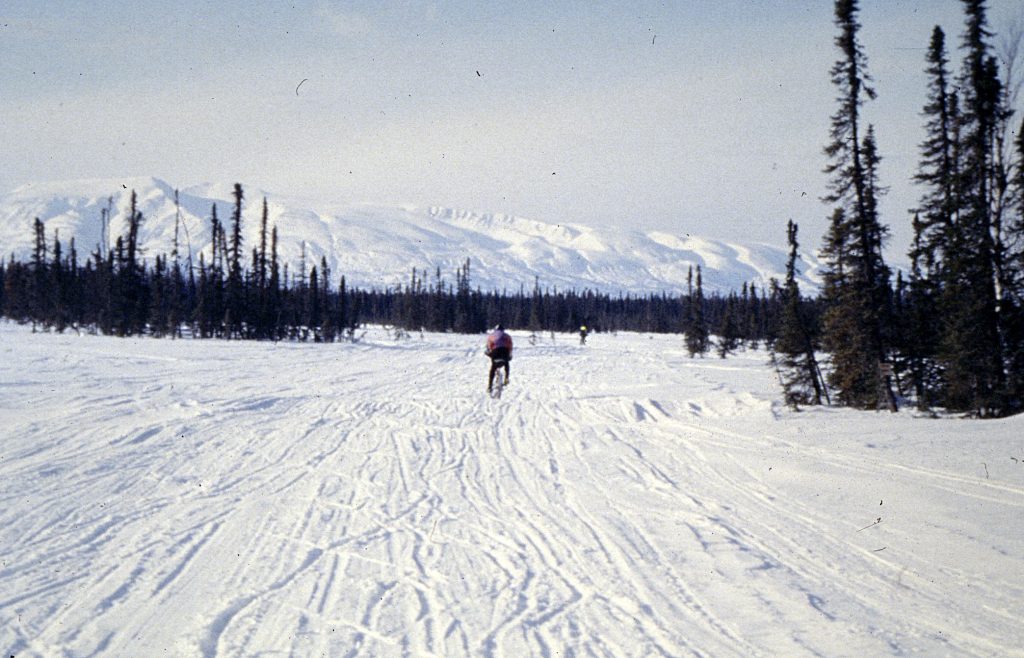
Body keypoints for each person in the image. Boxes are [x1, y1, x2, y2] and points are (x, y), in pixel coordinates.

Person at [485, 324, 513, 392]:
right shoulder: (507, 336)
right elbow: (510, 346)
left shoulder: (491, 336)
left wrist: (489, 353)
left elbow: (489, 346)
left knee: (493, 368)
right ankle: (506, 378)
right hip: (505, 352)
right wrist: (509, 355)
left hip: (495, 353)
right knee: (506, 363)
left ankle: (489, 386)